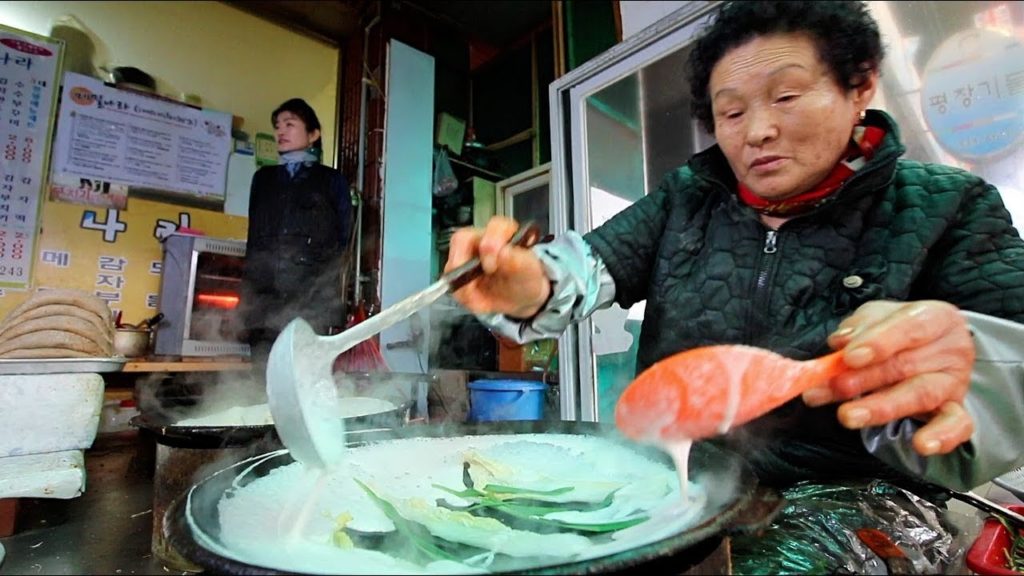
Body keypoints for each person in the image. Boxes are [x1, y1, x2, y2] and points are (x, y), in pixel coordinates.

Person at [445, 0, 1024, 495]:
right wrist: (524, 284)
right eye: (732, 111)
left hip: (858, 510)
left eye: (787, 96)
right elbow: (587, 266)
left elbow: (1009, 375)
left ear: (860, 87)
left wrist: (974, 367)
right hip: (680, 484)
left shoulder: (949, 205)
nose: (756, 131)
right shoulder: (688, 198)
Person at [240, 98, 351, 366]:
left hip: (312, 298)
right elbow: (253, 239)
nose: (281, 131)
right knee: (262, 375)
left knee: (305, 372)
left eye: (290, 124)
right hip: (264, 298)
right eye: (278, 125)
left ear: (313, 134)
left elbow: (343, 239)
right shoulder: (263, 178)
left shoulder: (331, 180)